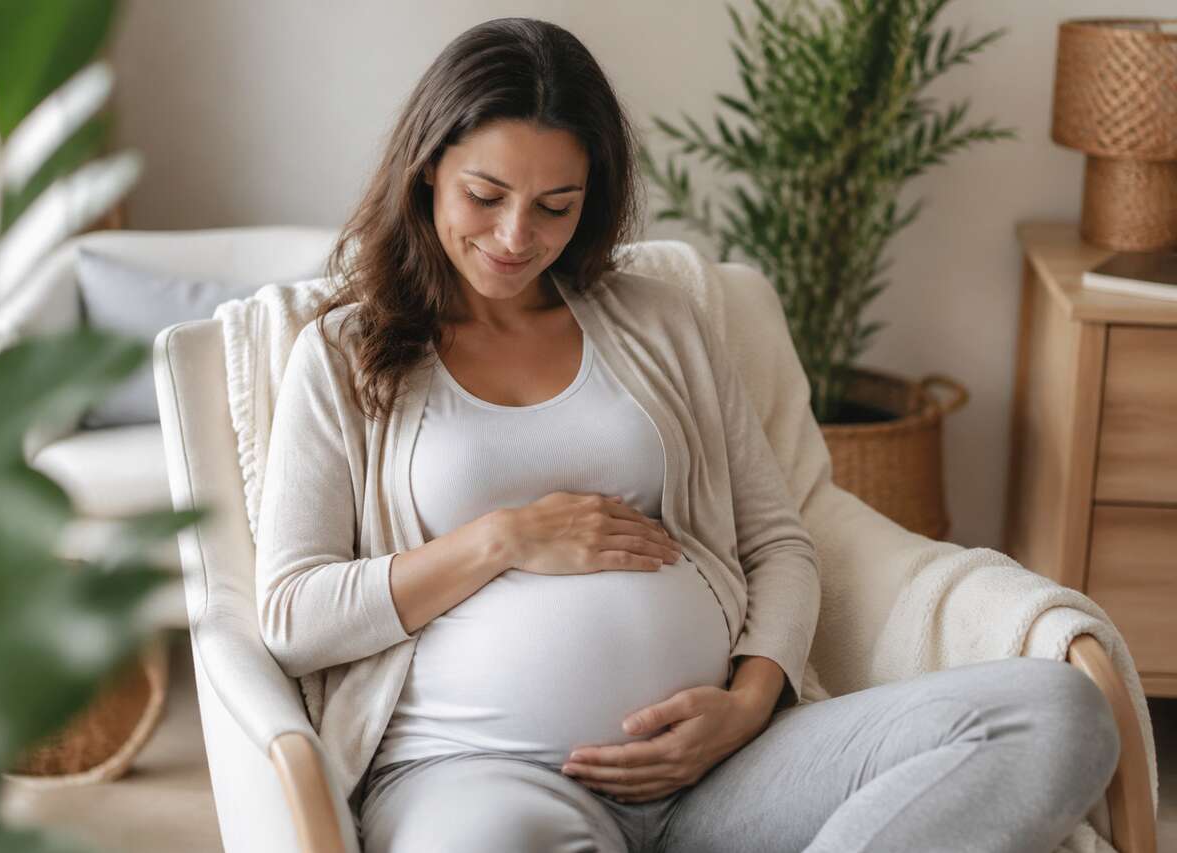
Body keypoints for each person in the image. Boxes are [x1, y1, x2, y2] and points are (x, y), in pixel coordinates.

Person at [254, 16, 1121, 853]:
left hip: (724, 770)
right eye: (486, 196)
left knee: (1059, 713)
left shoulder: (660, 321)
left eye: (556, 206)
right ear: (427, 170)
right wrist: (504, 539)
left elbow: (779, 541)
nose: (517, 237)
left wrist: (747, 701)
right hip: (482, 775)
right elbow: (293, 614)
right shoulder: (345, 355)